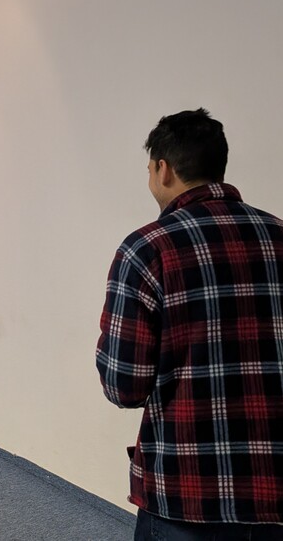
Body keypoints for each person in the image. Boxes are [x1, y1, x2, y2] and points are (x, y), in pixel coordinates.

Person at [96, 109, 283, 540]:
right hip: (273, 487)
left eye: (149, 169)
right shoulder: (278, 234)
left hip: (186, 490)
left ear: (163, 169)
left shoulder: (146, 250)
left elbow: (124, 386)